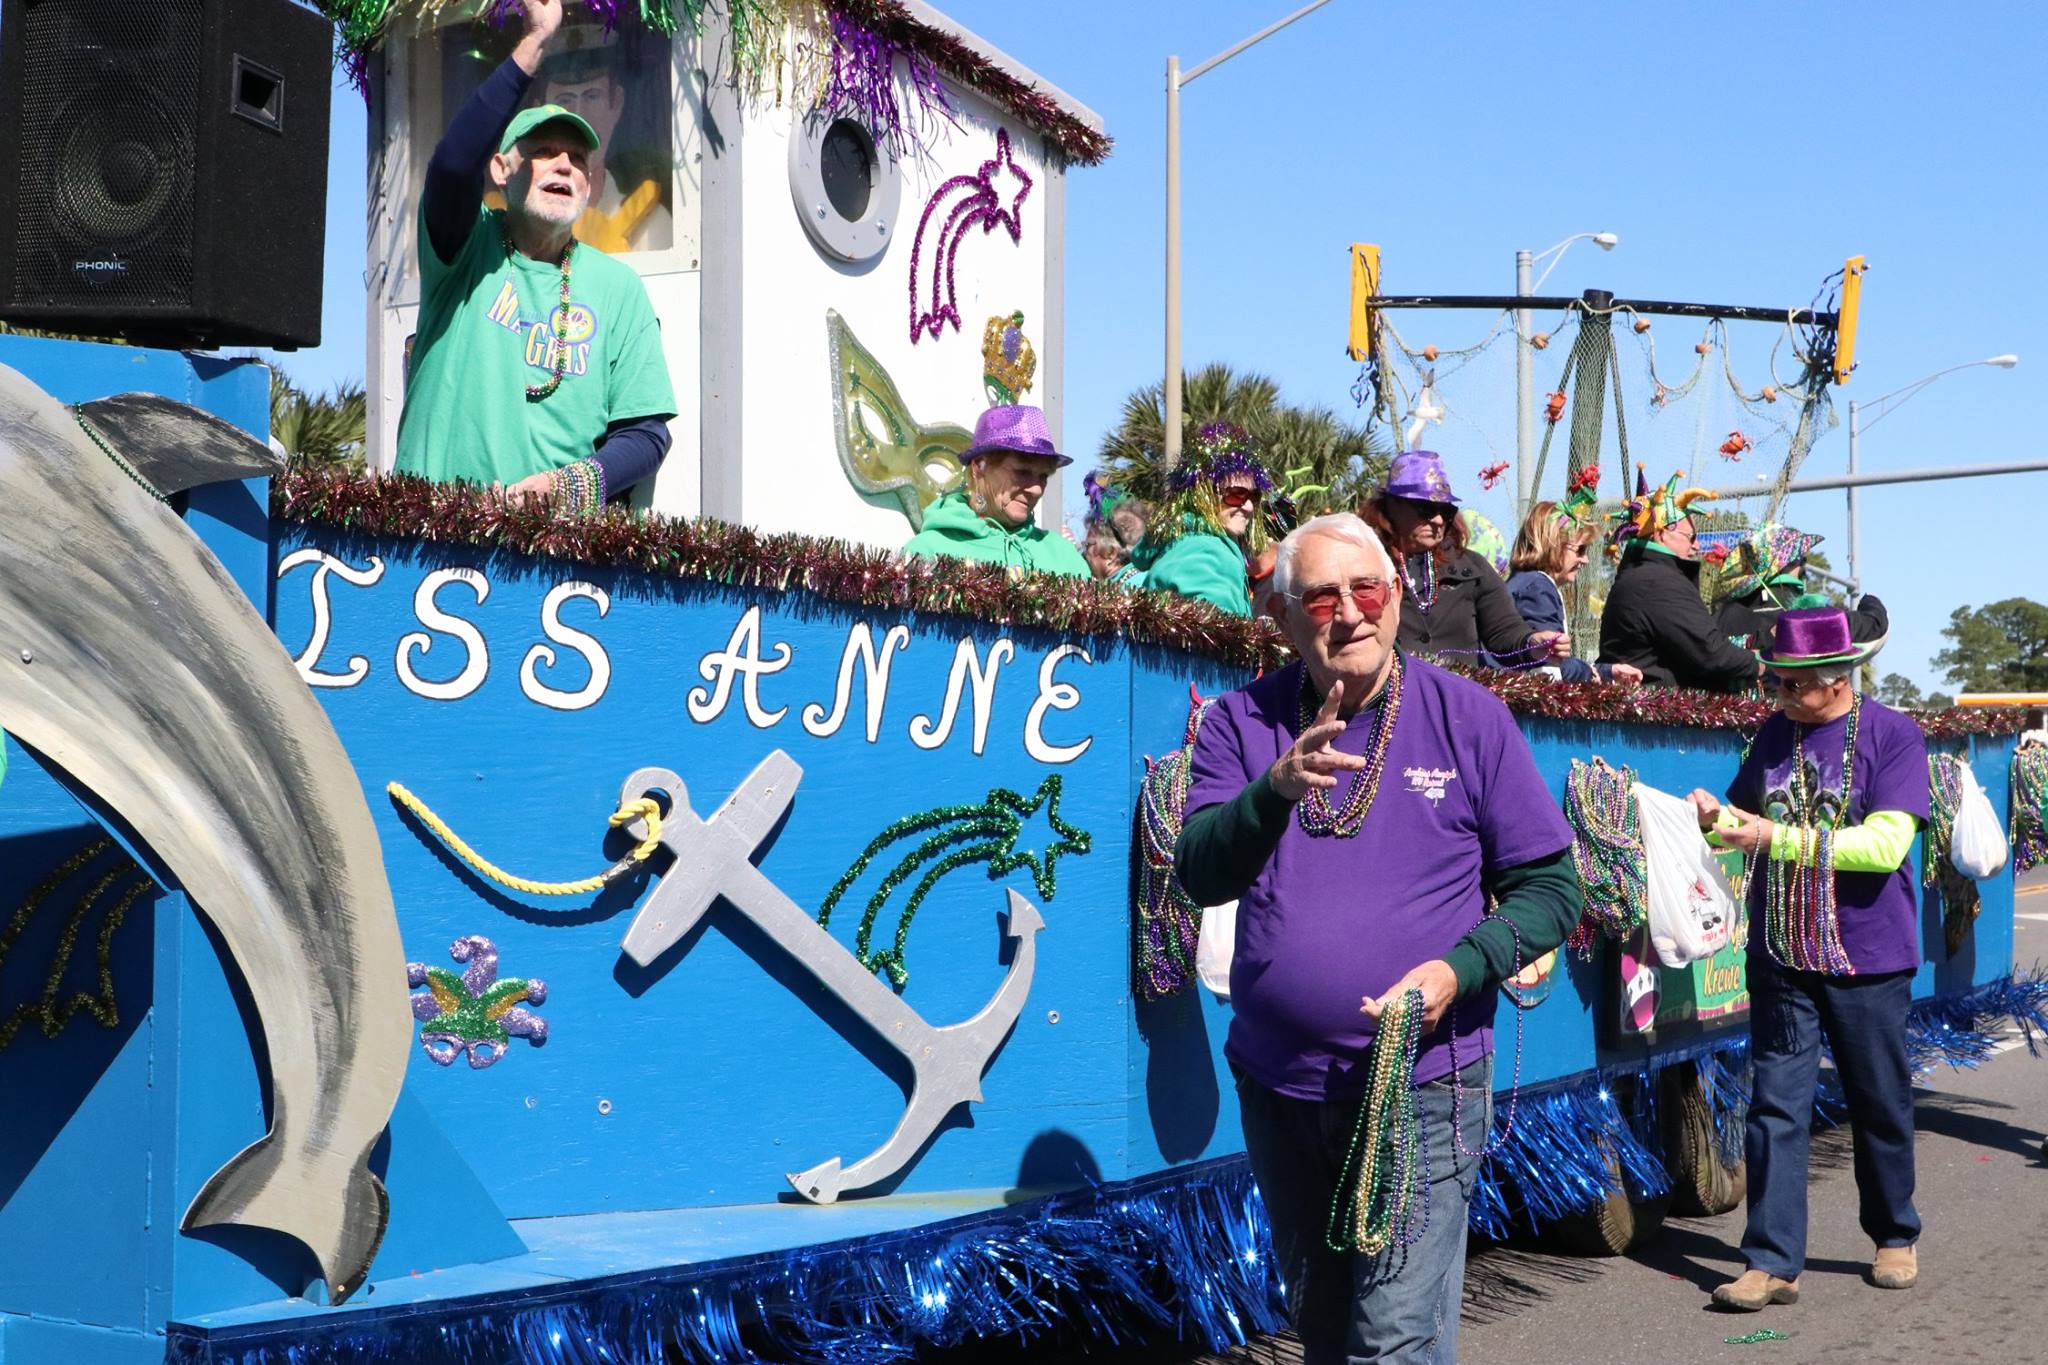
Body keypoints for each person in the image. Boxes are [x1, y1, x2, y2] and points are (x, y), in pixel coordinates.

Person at [1174, 512, 1584, 1362]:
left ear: (1397, 596)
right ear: (1283, 617)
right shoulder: (1239, 725)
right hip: (1281, 1089)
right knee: (1323, 1329)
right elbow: (1199, 872)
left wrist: (1456, 969)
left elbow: (1553, 890)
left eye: (1366, 589)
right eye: (1322, 598)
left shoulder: (1468, 719)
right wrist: (1274, 789)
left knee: (1391, 1340)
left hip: (1423, 1085)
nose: (1350, 612)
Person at [1688, 606, 1929, 1312]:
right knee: (1775, 1105)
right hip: (1782, 951)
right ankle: (1770, 1258)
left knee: (1878, 1098)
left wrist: (1766, 833)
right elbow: (1743, 822)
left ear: (1839, 677)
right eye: (1778, 683)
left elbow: (1885, 846)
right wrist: (1717, 818)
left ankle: (1894, 1233)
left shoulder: (1894, 734)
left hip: (1869, 954)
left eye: (1797, 684)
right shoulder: (1772, 735)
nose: (1784, 696)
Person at [395, 0, 677, 513]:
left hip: (553, 558)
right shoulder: (466, 247)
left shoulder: (618, 289)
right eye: (544, 151)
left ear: (590, 187)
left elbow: (646, 435)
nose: (564, 165)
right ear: (502, 170)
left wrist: (566, 488)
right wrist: (533, 46)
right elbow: (454, 164)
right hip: (427, 537)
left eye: (577, 159)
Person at [1359, 450, 1565, 667]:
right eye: (1426, 509)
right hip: (1390, 697)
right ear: (1392, 506)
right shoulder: (1361, 565)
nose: (1438, 520)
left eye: (1446, 511)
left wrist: (1532, 644)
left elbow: (1504, 630)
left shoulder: (1472, 567)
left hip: (1458, 697)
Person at [1597, 467, 1762, 691]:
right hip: (1654, 713)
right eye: (1691, 537)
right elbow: (1710, 652)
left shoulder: (1638, 574)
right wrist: (1760, 663)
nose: (1696, 545)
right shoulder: (1659, 582)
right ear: (1661, 533)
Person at [901, 404, 1088, 577]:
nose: (1037, 489)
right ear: (979, 467)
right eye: (1022, 472)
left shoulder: (1066, 560)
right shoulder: (926, 551)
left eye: (1044, 476)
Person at [535, 41, 675, 254]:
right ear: (539, 112)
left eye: (592, 96)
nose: (579, 114)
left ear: (616, 103)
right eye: (565, 99)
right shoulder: (517, 225)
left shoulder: (650, 222)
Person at [1505, 474, 1643, 685]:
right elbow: (1547, 665)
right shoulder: (1538, 588)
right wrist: (1591, 674)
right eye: (1580, 550)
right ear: (1553, 544)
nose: (1585, 560)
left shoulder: (1522, 582)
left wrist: (1604, 671)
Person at [1124, 422, 1271, 616]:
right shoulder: (1208, 553)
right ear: (1201, 495)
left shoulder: (1182, 542)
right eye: (1236, 494)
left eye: (1254, 497)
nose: (1249, 506)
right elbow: (1216, 638)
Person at [1714, 522, 1889, 653]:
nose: (1803, 564)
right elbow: (1874, 626)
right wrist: (1871, 602)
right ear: (1786, 565)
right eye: (1800, 559)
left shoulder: (1719, 615)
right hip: (1785, 701)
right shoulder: (1804, 615)